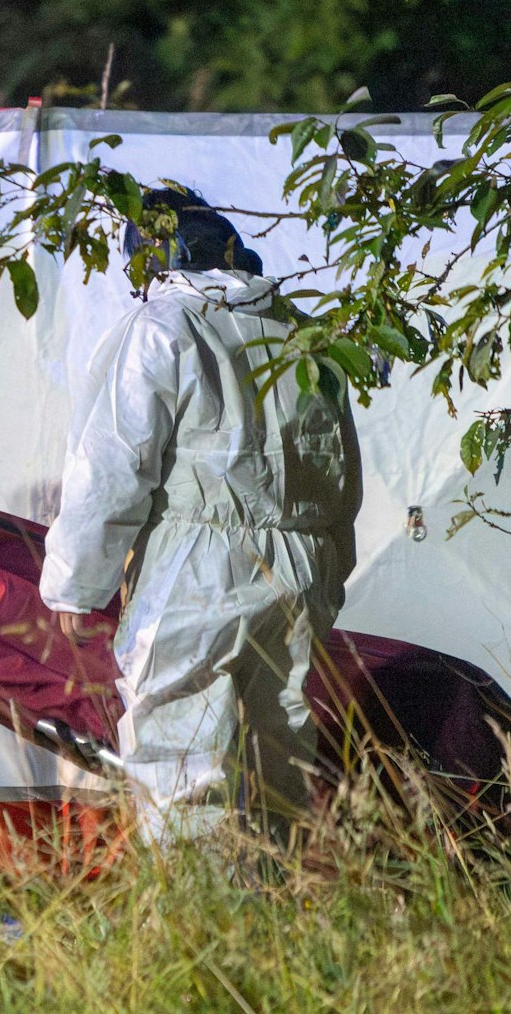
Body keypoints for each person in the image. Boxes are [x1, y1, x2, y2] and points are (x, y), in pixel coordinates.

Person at [38, 186, 362, 843]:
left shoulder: (162, 328)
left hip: (197, 572)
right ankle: (281, 923)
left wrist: (76, 584)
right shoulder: (301, 331)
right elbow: (337, 471)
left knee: (183, 769)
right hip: (302, 569)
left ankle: (205, 929)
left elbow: (112, 465)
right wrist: (332, 573)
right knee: (283, 763)